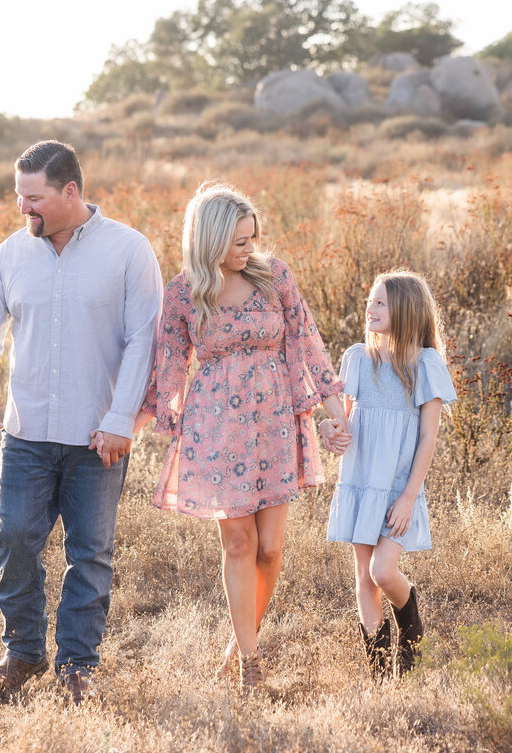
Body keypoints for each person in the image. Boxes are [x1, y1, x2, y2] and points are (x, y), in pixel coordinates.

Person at [0, 140, 163, 705]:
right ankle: (23, 652)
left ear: (70, 192)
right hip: (25, 434)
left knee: (89, 553)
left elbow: (145, 340)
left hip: (99, 437)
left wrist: (122, 419)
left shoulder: (129, 250)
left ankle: (78, 665)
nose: (23, 209)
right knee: (16, 539)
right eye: (18, 196)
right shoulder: (12, 253)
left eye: (34, 197)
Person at [136, 182, 349, 692]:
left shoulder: (275, 277)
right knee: (239, 543)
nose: (248, 249)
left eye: (252, 237)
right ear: (208, 242)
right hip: (216, 431)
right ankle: (253, 667)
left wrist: (335, 411)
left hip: (275, 424)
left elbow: (308, 343)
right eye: (237, 242)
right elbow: (164, 372)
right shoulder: (184, 293)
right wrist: (124, 430)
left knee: (271, 549)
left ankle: (236, 647)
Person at [321, 270, 457, 680]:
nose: (370, 308)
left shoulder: (424, 363)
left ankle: (412, 631)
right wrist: (329, 431)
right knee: (364, 578)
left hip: (399, 488)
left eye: (380, 302)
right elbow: (341, 419)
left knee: (384, 572)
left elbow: (429, 437)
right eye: (370, 300)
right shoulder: (358, 357)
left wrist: (409, 496)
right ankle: (380, 679)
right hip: (360, 482)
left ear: (405, 310)